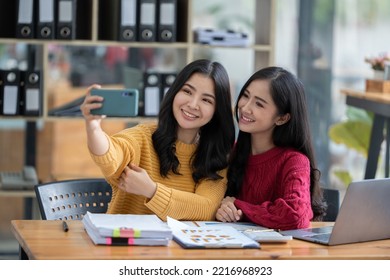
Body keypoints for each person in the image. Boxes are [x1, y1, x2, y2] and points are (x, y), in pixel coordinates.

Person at [80, 59, 235, 221]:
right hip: (125, 243)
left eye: (206, 100)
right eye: (187, 91)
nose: (193, 104)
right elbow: (111, 157)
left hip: (178, 246)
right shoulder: (143, 137)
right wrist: (93, 127)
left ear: (217, 111)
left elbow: (206, 208)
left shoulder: (215, 156)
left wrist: (151, 190)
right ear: (174, 92)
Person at [215, 66, 327, 230]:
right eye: (246, 95)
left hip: (280, 254)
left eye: (259, 104)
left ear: (282, 118)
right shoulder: (230, 152)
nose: (245, 108)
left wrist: (240, 207)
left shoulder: (294, 161)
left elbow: (295, 216)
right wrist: (224, 210)